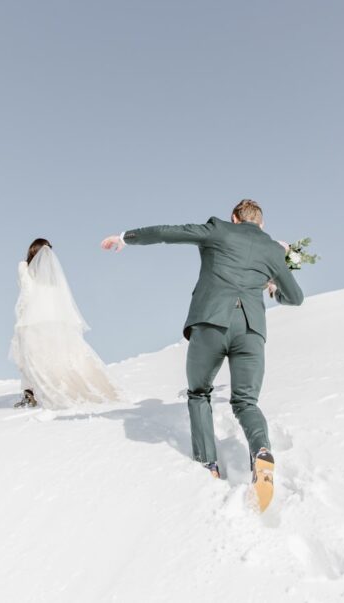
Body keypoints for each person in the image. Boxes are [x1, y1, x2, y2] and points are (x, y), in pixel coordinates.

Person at [100, 199, 303, 511]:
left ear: (234, 218)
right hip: (250, 331)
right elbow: (296, 297)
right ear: (260, 224)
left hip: (211, 323)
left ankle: (209, 465)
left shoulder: (217, 230)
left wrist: (126, 237)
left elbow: (170, 232)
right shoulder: (274, 250)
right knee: (246, 402)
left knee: (198, 392)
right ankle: (261, 453)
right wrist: (273, 287)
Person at [10, 238, 118, 409]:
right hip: (56, 320)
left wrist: (21, 317)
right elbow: (61, 299)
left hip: (33, 320)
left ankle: (30, 394)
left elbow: (26, 294)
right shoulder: (54, 275)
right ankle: (69, 389)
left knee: (30, 358)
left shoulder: (24, 267)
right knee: (56, 357)